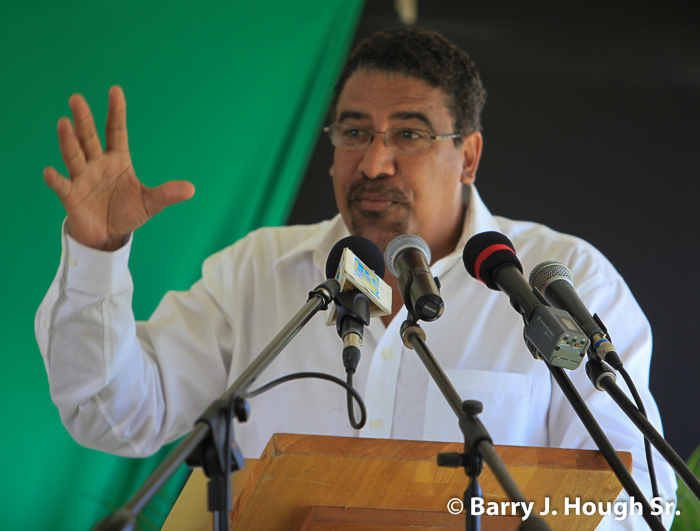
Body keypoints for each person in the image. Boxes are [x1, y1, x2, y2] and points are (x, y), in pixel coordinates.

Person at [36, 27, 676, 529]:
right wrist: (98, 252)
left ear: (469, 156)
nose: (374, 162)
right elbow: (110, 413)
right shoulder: (258, 271)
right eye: (354, 132)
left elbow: (642, 498)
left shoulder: (558, 280)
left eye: (409, 133)